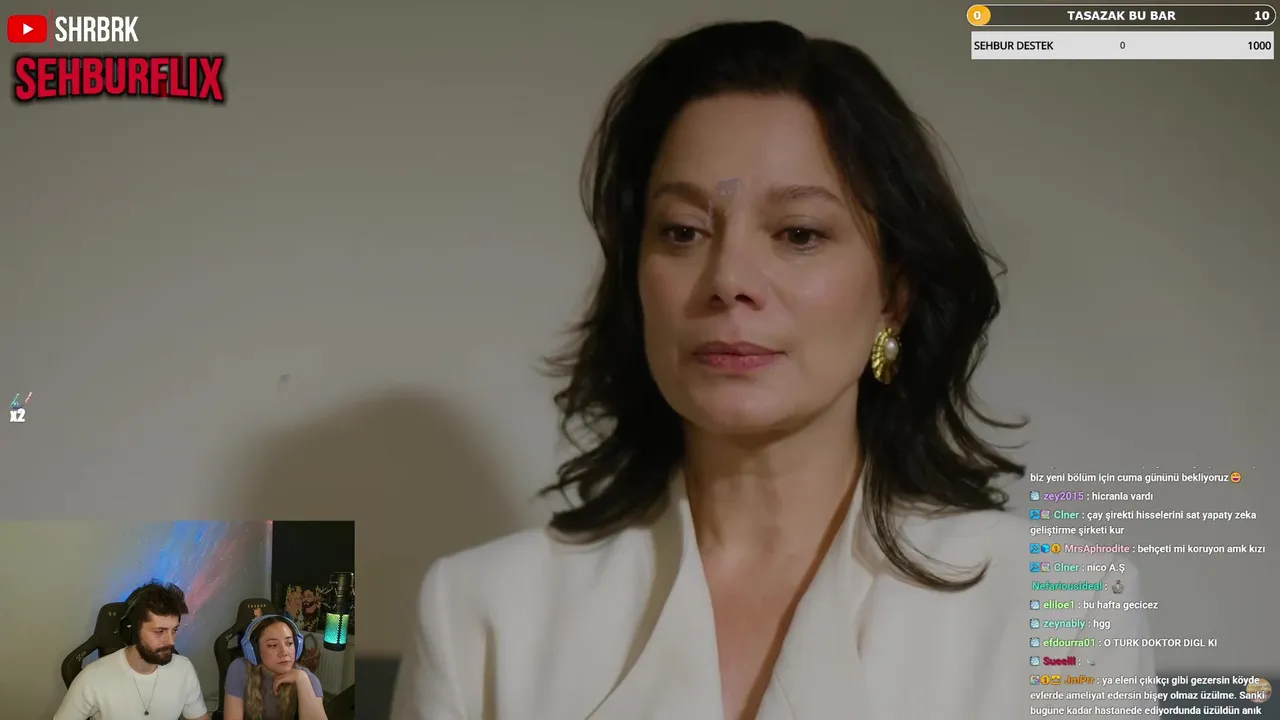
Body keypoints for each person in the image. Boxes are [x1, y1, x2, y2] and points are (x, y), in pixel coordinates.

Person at [391, 20, 1156, 720]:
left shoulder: (1063, 607)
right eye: (683, 231)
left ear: (894, 297)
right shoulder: (481, 616)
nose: (729, 280)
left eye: (798, 233)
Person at [54, 580, 209, 720]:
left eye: (174, 630)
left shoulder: (184, 669)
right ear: (133, 631)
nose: (171, 641)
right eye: (159, 631)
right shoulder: (92, 678)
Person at [222, 614, 327, 720]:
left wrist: (302, 680)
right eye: (273, 645)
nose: (284, 652)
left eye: (289, 643)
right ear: (255, 650)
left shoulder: (307, 679)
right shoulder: (239, 669)